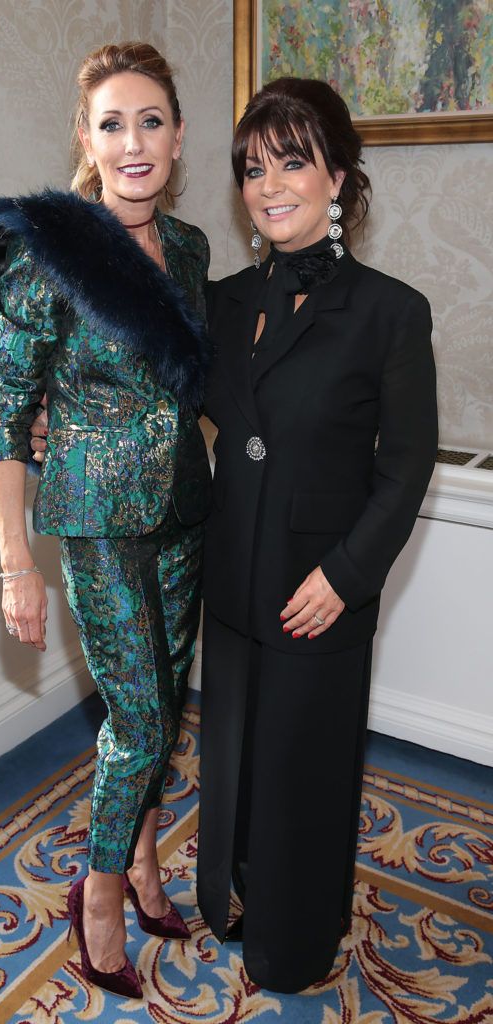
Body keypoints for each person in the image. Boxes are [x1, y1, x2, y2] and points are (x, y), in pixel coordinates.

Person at [0, 42, 212, 1001]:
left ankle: (145, 858)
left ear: (178, 139)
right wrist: (15, 563)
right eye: (112, 123)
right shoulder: (48, 251)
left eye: (151, 121)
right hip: (96, 519)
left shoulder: (189, 249)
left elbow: (187, 384)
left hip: (186, 504)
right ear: (86, 138)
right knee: (139, 722)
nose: (132, 142)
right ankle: (100, 892)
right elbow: (5, 409)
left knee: (163, 705)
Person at [196, 77, 438, 994]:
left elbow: (406, 466)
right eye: (253, 168)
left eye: (292, 161)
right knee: (232, 757)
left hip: (318, 592)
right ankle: (230, 898)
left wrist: (344, 576)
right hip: (232, 578)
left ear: (337, 175)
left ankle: (295, 943)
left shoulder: (389, 312)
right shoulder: (221, 302)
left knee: (302, 767)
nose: (270, 184)